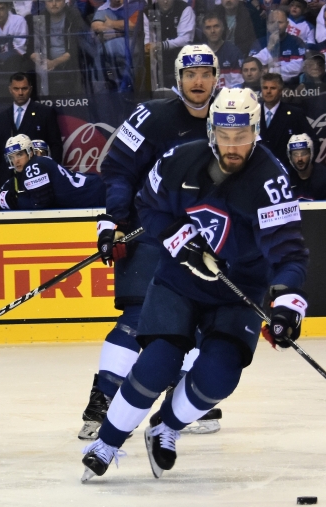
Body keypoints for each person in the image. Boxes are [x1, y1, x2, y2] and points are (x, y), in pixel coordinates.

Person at [80, 87, 309, 481]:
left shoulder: (271, 181)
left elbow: (288, 254)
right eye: (225, 135)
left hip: (239, 288)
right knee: (157, 363)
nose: (232, 145)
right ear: (212, 131)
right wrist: (176, 236)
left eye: (241, 136)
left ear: (255, 131)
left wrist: (287, 306)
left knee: (220, 374)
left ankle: (165, 427)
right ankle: (107, 441)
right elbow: (147, 206)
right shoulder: (180, 159)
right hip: (179, 281)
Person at [78, 45, 221, 441]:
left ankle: (182, 395)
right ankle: (103, 399)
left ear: (216, 77)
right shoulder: (151, 115)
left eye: (205, 73)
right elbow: (118, 168)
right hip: (150, 230)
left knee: (200, 319)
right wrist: (113, 220)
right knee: (139, 317)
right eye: (190, 74)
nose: (198, 81)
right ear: (178, 79)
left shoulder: (230, 119)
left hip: (206, 238)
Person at [0, 134, 105, 209]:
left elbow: (40, 204)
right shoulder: (29, 169)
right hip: (94, 189)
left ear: (30, 152)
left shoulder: (34, 165)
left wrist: (11, 201)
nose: (16, 160)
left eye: (19, 154)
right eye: (12, 157)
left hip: (96, 195)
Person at [0, 72, 63, 190]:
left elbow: (56, 146)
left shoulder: (45, 113)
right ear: (10, 89)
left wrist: (53, 173)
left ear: (30, 89)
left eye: (24, 88)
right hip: (8, 182)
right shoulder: (0, 119)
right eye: (16, 89)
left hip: (38, 179)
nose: (20, 93)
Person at [28, 0, 90, 94]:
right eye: (50, 1)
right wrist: (43, 61)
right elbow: (30, 49)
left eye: (57, 0)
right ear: (45, 3)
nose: (53, 4)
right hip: (45, 61)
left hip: (69, 61)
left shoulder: (73, 15)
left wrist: (54, 62)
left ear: (64, 1)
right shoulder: (40, 17)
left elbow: (75, 49)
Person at [258, 73, 316, 167]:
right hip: (259, 171)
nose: (268, 91)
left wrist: (303, 169)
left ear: (280, 91)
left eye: (273, 88)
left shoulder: (295, 114)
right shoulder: (252, 113)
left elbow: (313, 141)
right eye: (265, 88)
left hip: (287, 172)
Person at [91, 0, 143, 92]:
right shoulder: (102, 10)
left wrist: (111, 24)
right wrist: (123, 32)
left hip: (131, 58)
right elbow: (97, 27)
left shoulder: (134, 6)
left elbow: (133, 25)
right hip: (108, 60)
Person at [143, 0, 195, 88]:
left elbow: (185, 39)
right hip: (159, 57)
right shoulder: (149, 11)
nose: (165, 1)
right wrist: (149, 47)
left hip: (182, 56)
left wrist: (161, 45)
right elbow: (149, 39)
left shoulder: (184, 8)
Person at [249, 9, 306, 83]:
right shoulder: (259, 42)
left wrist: (269, 71)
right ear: (267, 24)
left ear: (287, 24)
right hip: (263, 86)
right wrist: (270, 47)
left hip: (291, 86)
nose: (276, 25)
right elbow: (252, 66)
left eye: (280, 22)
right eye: (272, 22)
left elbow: (297, 68)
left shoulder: (296, 41)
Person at [286, 134, 326, 200]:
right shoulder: (285, 177)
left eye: (304, 154)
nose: (299, 159)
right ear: (290, 156)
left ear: (311, 153)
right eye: (295, 154)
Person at [0, 2, 30, 73]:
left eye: (1, 9)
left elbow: (19, 50)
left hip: (15, 61)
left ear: (8, 8)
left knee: (14, 61)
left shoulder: (19, 21)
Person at [202, 8, 244, 88]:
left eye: (216, 26)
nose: (213, 31)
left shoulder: (233, 52)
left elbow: (238, 86)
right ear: (204, 31)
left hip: (229, 99)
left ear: (222, 27)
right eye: (208, 28)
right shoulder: (199, 53)